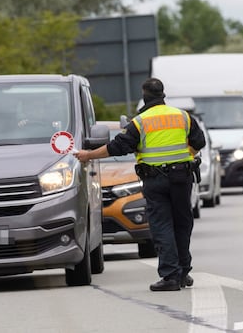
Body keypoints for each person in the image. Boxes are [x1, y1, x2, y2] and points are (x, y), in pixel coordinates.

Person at [74, 78, 206, 291]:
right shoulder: (183, 117)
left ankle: (171, 275)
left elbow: (117, 147)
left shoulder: (140, 122)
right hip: (182, 178)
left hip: (155, 180)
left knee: (162, 225)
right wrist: (183, 159)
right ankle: (183, 271)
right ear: (163, 95)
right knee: (182, 224)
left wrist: (88, 155)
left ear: (144, 96)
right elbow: (199, 143)